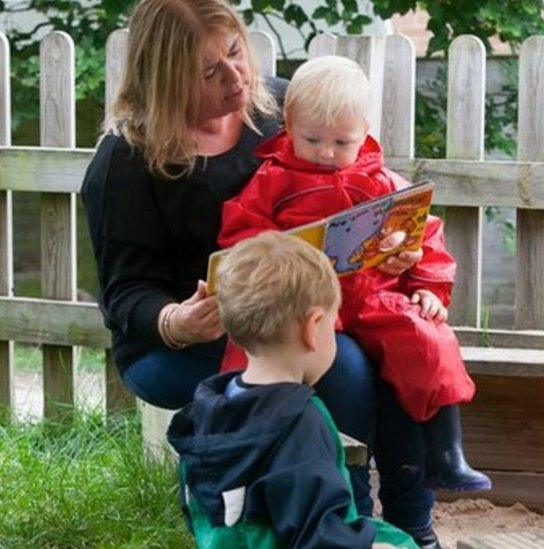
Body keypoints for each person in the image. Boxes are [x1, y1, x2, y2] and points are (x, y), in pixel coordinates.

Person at [80, 1, 443, 546]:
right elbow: (125, 296)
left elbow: (360, 176)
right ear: (165, 80)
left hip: (314, 307)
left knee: (411, 339)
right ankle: (345, 516)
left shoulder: (280, 106)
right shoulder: (125, 161)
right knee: (337, 365)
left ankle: (406, 519)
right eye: (210, 72)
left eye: (235, 53)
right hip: (182, 342)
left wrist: (390, 250)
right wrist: (177, 319)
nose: (237, 77)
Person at [217, 55, 490, 493]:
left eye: (342, 142)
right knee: (265, 352)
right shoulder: (273, 180)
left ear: (365, 130)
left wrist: (425, 283)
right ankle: (248, 441)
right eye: (312, 139)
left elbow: (425, 236)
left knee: (429, 338)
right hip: (306, 304)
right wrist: (275, 257)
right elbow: (241, 237)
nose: (326, 153)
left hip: (375, 297)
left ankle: (447, 452)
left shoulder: (383, 181)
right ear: (288, 124)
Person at [168, 232, 417, 549]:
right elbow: (316, 531)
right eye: (331, 324)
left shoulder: (206, 411)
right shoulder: (298, 423)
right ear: (313, 328)